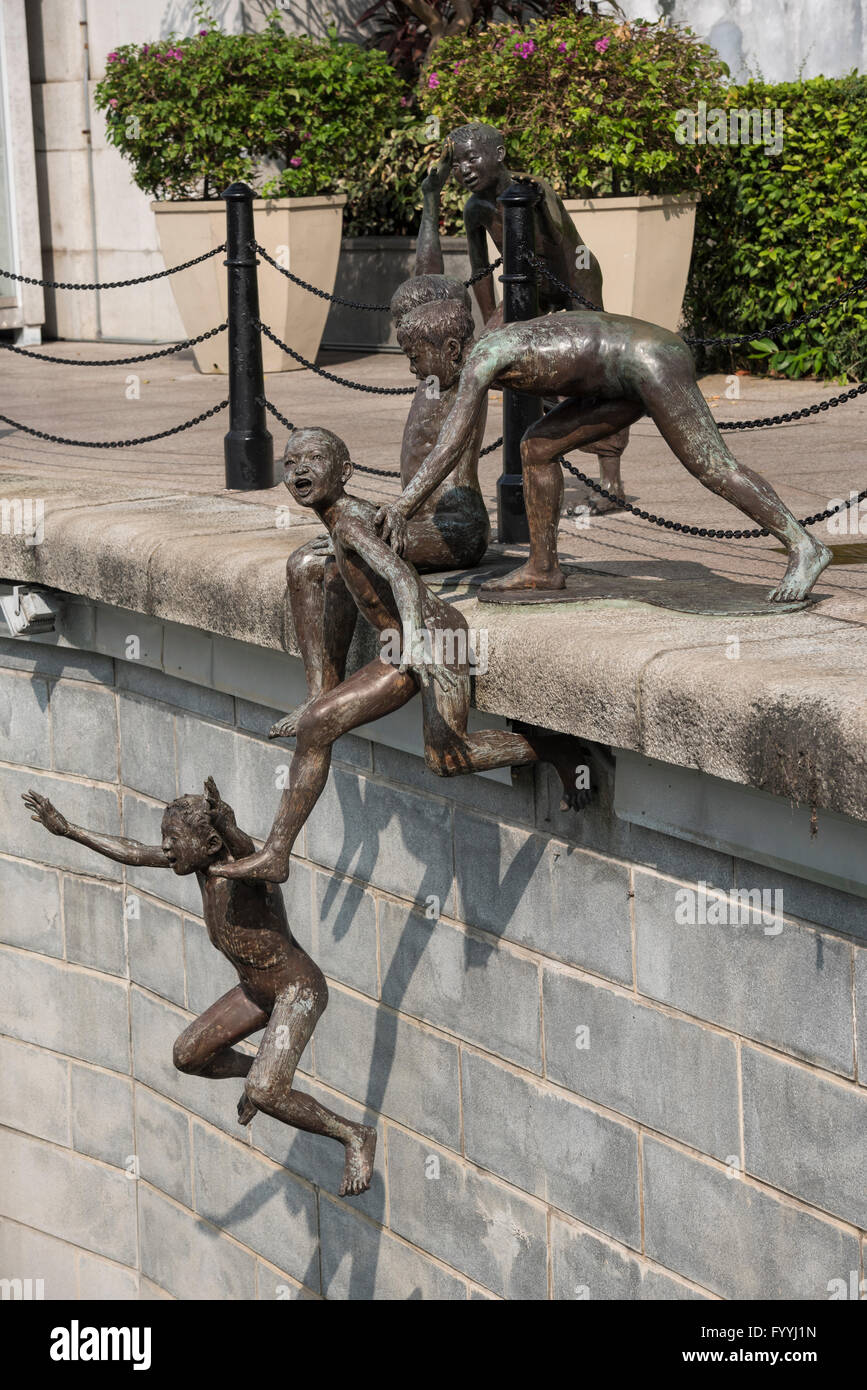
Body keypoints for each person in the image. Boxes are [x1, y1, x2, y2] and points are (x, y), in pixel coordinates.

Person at [210, 427, 587, 886]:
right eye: (290, 464)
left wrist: (415, 644)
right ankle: (276, 852)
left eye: (311, 460)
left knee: (432, 753)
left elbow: (403, 580)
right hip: (409, 641)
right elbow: (340, 585)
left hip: (433, 637)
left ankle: (553, 747)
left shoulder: (349, 523)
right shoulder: (337, 525)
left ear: (345, 472)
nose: (299, 471)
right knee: (417, 752)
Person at [22, 778, 376, 1197]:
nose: (166, 849)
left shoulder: (247, 873)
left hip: (295, 991)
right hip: (255, 991)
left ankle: (353, 1135)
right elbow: (134, 853)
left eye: (173, 840)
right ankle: (259, 1072)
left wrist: (228, 826)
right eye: (164, 839)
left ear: (208, 843)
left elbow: (252, 853)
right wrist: (69, 830)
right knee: (188, 1056)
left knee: (266, 1091)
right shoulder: (200, 867)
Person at [374, 310, 830, 605]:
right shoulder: (487, 345)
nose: (413, 370)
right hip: (618, 372)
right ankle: (543, 568)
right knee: (537, 447)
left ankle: (803, 545)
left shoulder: (480, 361)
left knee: (713, 466)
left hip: (649, 359)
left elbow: (450, 443)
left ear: (451, 350)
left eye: (415, 357)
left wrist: (401, 507)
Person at [275, 153, 491, 741]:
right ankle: (321, 694)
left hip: (455, 526)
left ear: (446, 338)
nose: (405, 350)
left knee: (324, 558)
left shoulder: (464, 379)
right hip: (417, 515)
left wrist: (389, 512)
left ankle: (325, 700)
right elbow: (428, 276)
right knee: (315, 556)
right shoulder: (431, 372)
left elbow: (447, 453)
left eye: (413, 339)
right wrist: (427, 203)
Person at [446, 120, 629, 509]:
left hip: (573, 276)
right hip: (523, 285)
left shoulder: (534, 188)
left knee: (596, 370)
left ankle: (611, 483)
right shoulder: (475, 208)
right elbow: (480, 271)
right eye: (457, 163)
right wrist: (490, 327)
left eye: (472, 158)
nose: (464, 170)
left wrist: (572, 312)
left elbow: (565, 242)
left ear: (499, 155)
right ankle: (554, 425)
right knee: (487, 364)